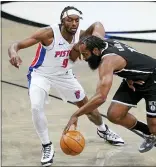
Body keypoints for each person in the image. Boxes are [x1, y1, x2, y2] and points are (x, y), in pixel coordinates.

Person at [8, 6, 124, 167]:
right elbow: (16, 44)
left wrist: (98, 38)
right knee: (36, 107)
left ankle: (103, 129)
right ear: (62, 21)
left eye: (77, 20)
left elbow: (98, 28)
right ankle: (47, 145)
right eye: (70, 20)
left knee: (88, 107)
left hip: (65, 75)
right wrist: (14, 53)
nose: (74, 23)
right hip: (41, 75)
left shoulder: (81, 35)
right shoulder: (48, 34)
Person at [64, 35, 156, 154]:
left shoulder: (107, 62)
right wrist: (129, 74)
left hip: (154, 78)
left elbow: (101, 97)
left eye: (85, 54)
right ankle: (149, 134)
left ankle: (153, 132)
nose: (84, 58)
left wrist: (76, 114)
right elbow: (130, 53)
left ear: (96, 51)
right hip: (134, 79)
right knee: (114, 115)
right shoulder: (106, 43)